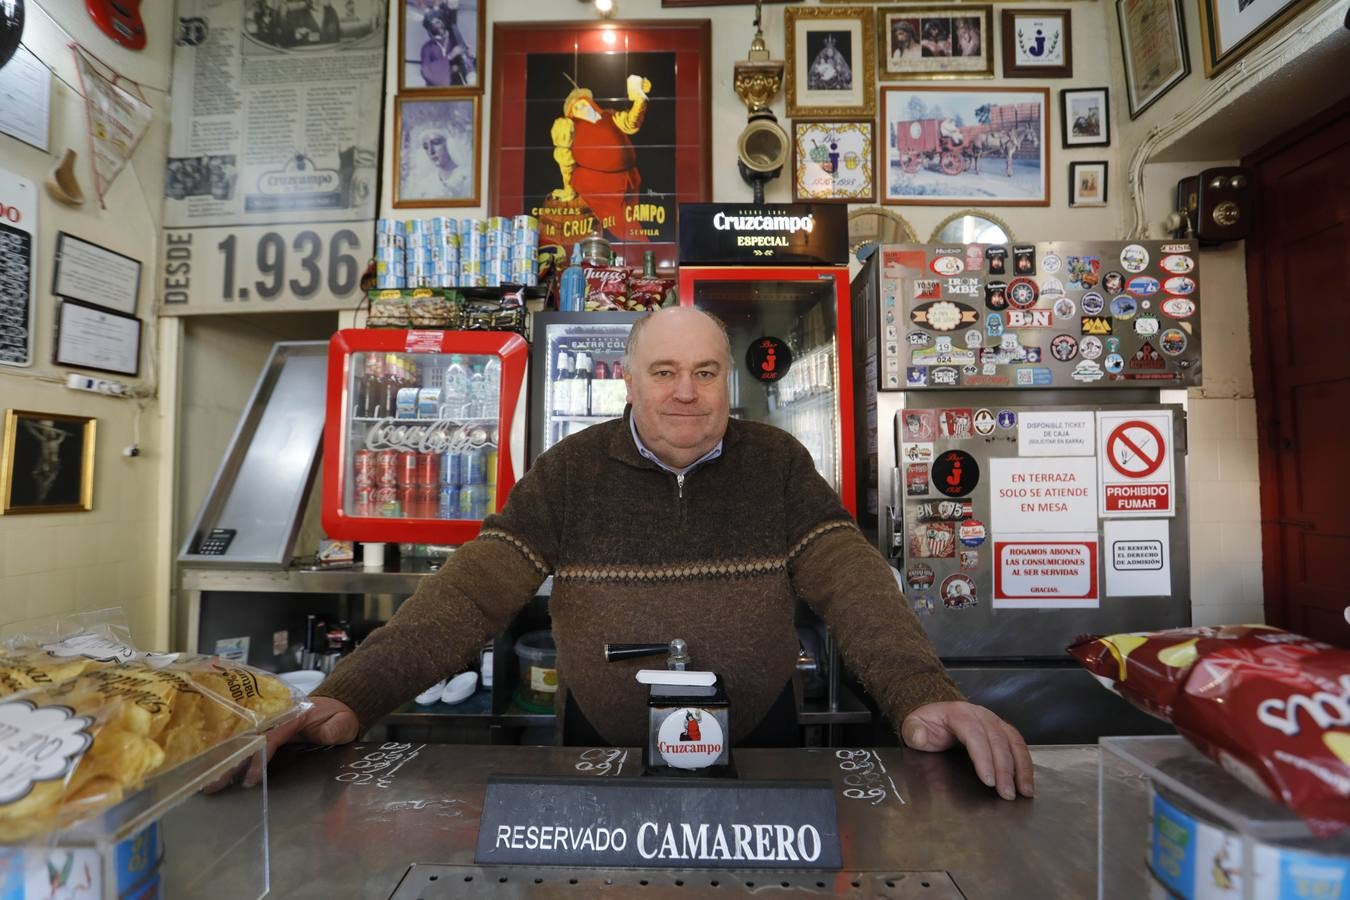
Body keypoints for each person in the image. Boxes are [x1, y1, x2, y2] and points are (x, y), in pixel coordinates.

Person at [263, 307, 1034, 802]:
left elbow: (854, 583)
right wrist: (351, 693)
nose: (686, 392)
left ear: (726, 381)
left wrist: (920, 692)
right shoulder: (570, 470)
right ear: (628, 381)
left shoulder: (777, 463)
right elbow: (470, 594)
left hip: (762, 743)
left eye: (705, 372)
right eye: (664, 372)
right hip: (601, 751)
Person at [549, 74, 652, 243]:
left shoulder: (609, 116)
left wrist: (640, 99)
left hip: (629, 178)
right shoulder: (569, 127)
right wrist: (568, 188)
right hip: (600, 184)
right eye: (576, 107)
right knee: (628, 229)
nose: (583, 107)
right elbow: (565, 159)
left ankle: (637, 257)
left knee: (632, 220)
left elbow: (631, 123)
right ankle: (645, 253)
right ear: (571, 114)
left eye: (584, 103)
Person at [418, 4, 473, 87]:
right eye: (433, 23)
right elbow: (425, 70)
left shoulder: (454, 40)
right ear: (429, 28)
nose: (437, 24)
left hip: (457, 85)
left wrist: (468, 58)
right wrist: (450, 56)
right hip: (436, 89)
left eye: (438, 21)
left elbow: (463, 65)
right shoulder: (427, 47)